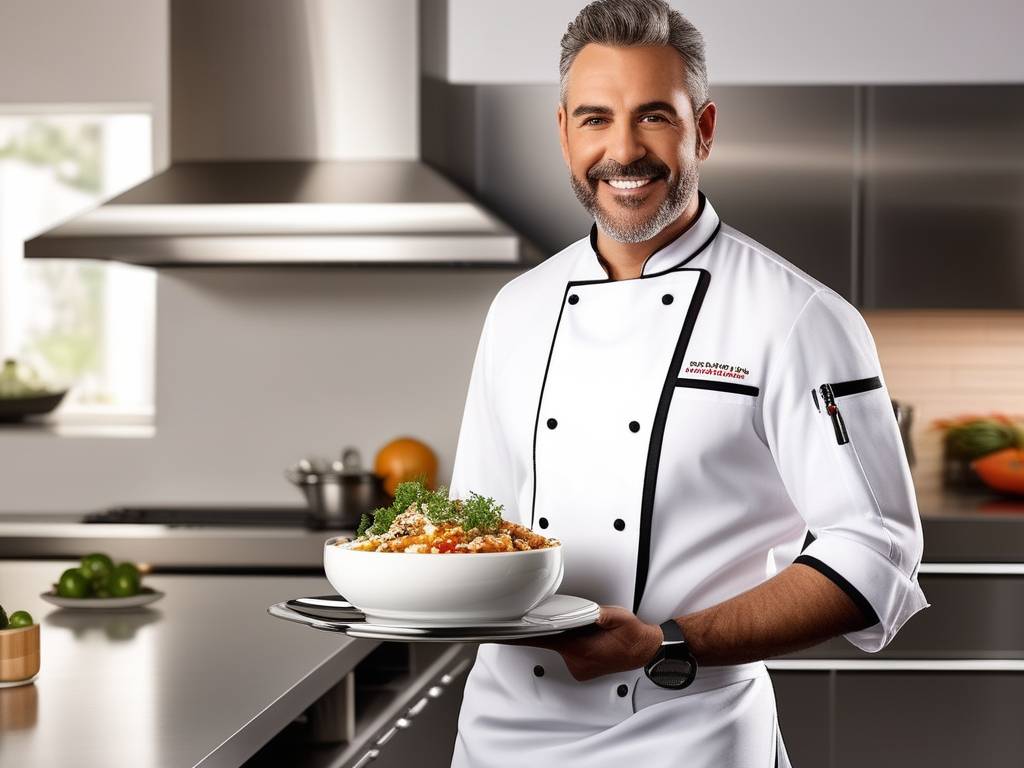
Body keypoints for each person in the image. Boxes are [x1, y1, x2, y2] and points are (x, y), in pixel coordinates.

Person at [448, 1, 929, 765]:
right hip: (503, 735)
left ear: (702, 128)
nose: (623, 150)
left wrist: (667, 641)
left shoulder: (797, 315)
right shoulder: (518, 309)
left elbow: (877, 552)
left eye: (654, 118)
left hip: (687, 736)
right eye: (596, 118)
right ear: (565, 132)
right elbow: (474, 528)